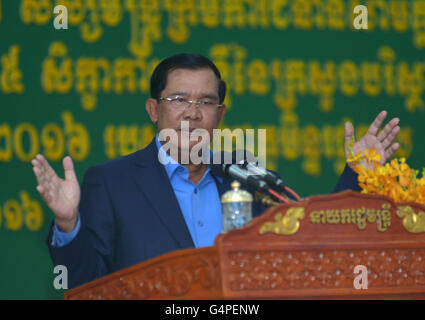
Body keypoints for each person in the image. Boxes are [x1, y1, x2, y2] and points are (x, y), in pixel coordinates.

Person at [31, 53, 400, 289]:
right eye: (178, 100)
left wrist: (357, 174)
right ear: (152, 109)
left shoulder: (249, 177)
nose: (192, 113)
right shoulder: (111, 182)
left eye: (205, 102)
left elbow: (309, 245)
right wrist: (68, 226)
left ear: (219, 116)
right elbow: (83, 285)